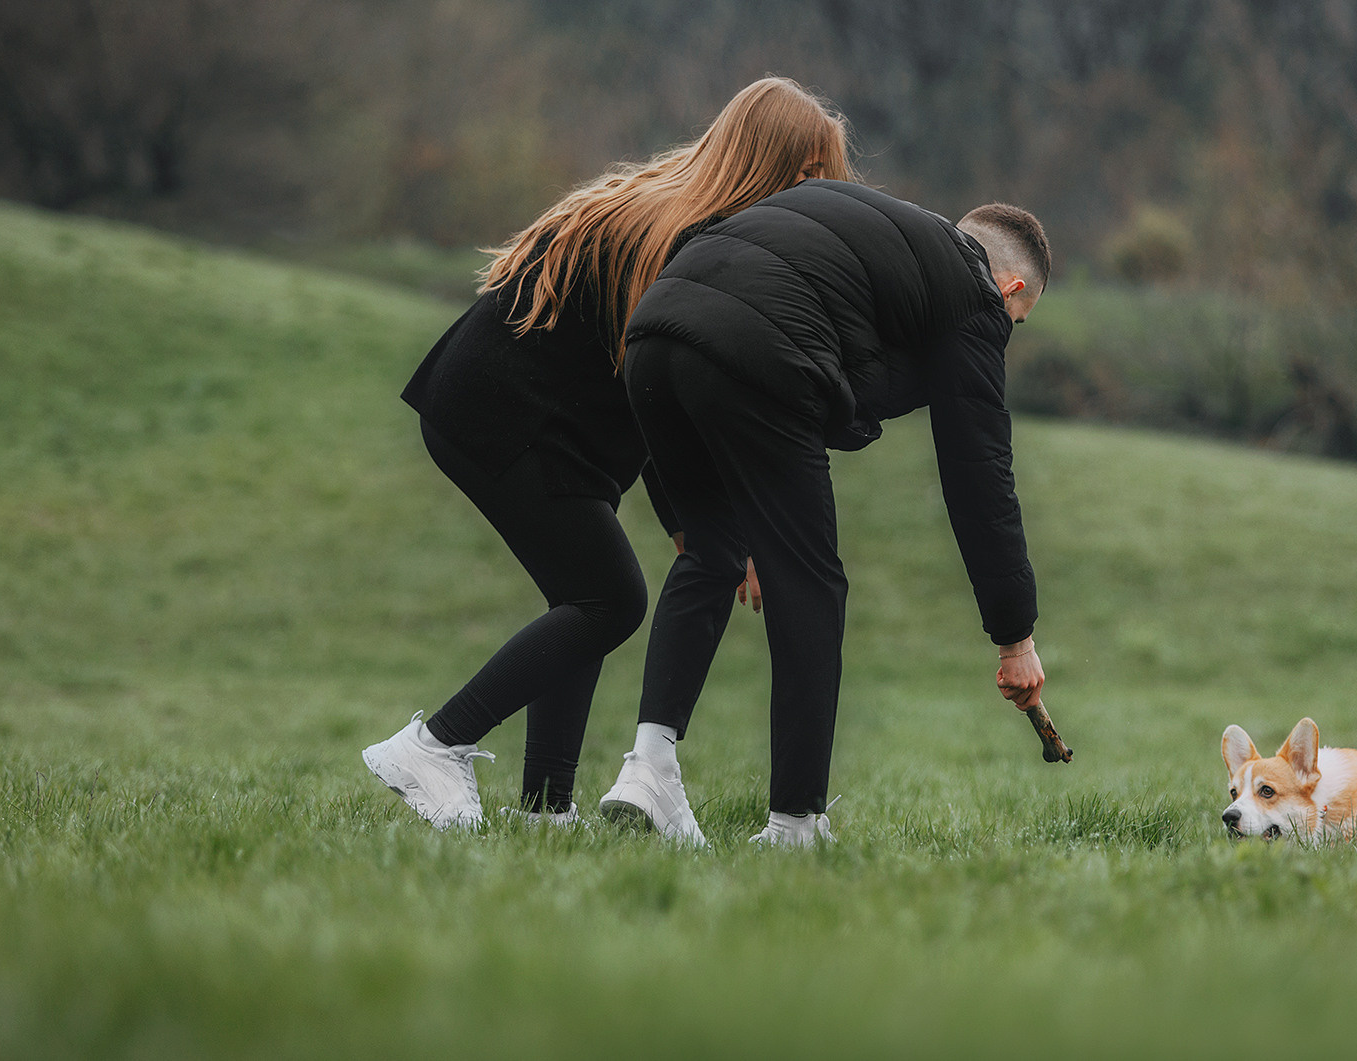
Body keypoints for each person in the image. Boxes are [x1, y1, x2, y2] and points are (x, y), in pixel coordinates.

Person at [360, 77, 852, 829]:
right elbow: (663, 388)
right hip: (505, 412)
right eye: (811, 174)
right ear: (769, 162)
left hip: (524, 415)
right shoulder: (687, 236)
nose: (818, 196)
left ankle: (545, 808)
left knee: (584, 592)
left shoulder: (676, 208)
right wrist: (696, 518)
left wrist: (688, 519)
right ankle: (434, 744)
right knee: (608, 598)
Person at [595, 181, 1053, 847]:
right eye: (1018, 323)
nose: (1003, 335)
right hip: (757, 350)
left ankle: (649, 763)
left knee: (713, 550)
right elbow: (979, 474)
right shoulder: (974, 294)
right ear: (1010, 289)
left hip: (654, 337)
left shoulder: (866, 225)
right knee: (810, 583)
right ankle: (796, 822)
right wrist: (1016, 638)